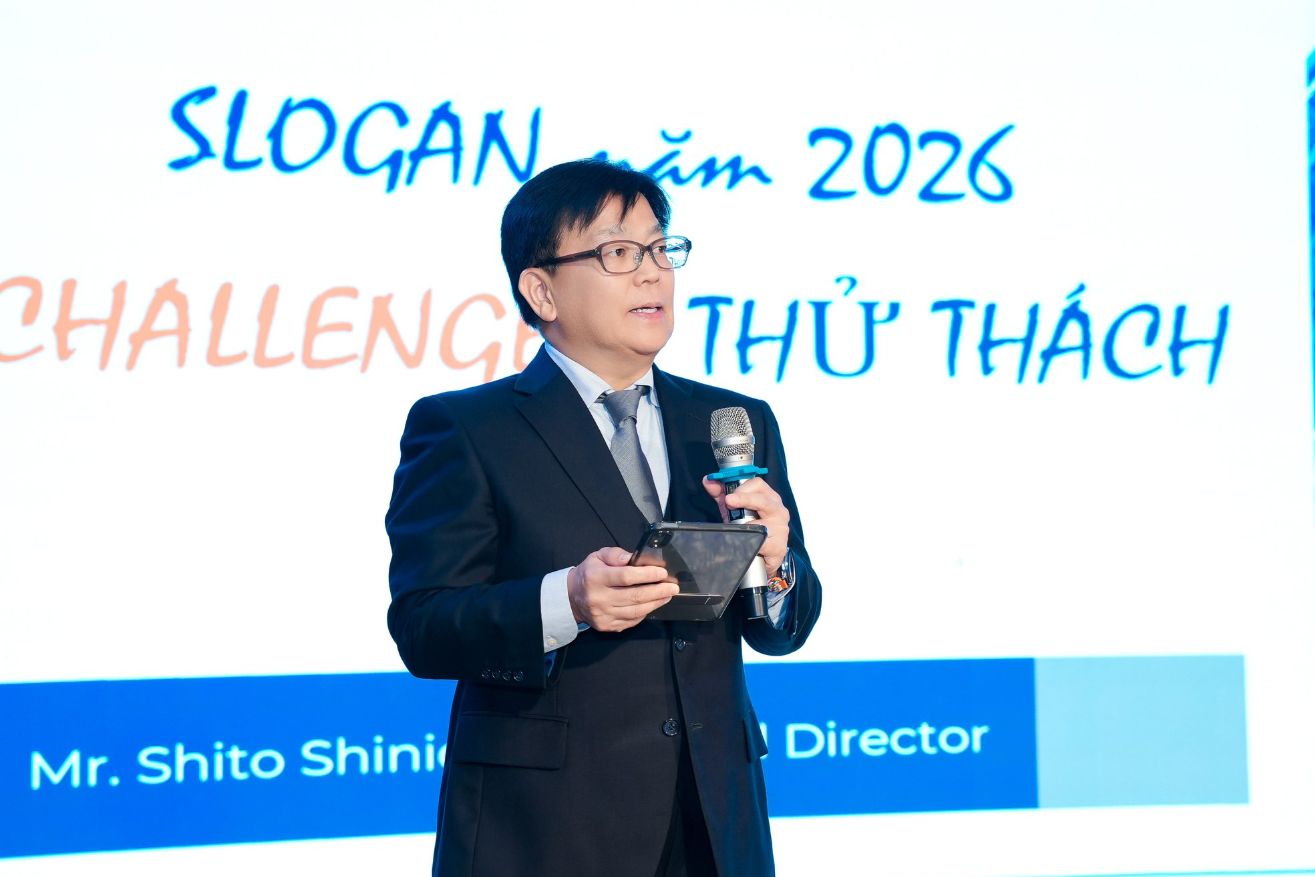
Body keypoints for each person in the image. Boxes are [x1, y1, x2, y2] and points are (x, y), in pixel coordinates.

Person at [385, 158, 821, 877]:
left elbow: (783, 630)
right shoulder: (467, 429)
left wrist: (776, 569)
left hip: (716, 820)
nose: (652, 273)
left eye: (660, 248)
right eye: (619, 252)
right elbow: (424, 628)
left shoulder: (730, 420)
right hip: (549, 827)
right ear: (541, 289)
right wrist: (567, 601)